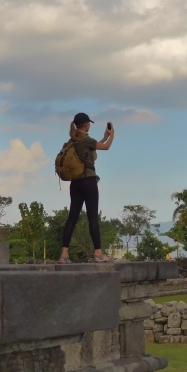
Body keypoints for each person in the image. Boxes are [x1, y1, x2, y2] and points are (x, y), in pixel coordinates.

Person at [59, 112, 115, 263]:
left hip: (75, 183)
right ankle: (98, 253)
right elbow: (106, 147)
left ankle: (64, 255)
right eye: (88, 123)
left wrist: (104, 136)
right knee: (92, 218)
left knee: (72, 218)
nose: (89, 125)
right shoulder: (87, 140)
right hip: (89, 181)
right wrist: (112, 135)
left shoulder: (73, 141)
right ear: (85, 125)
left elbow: (94, 146)